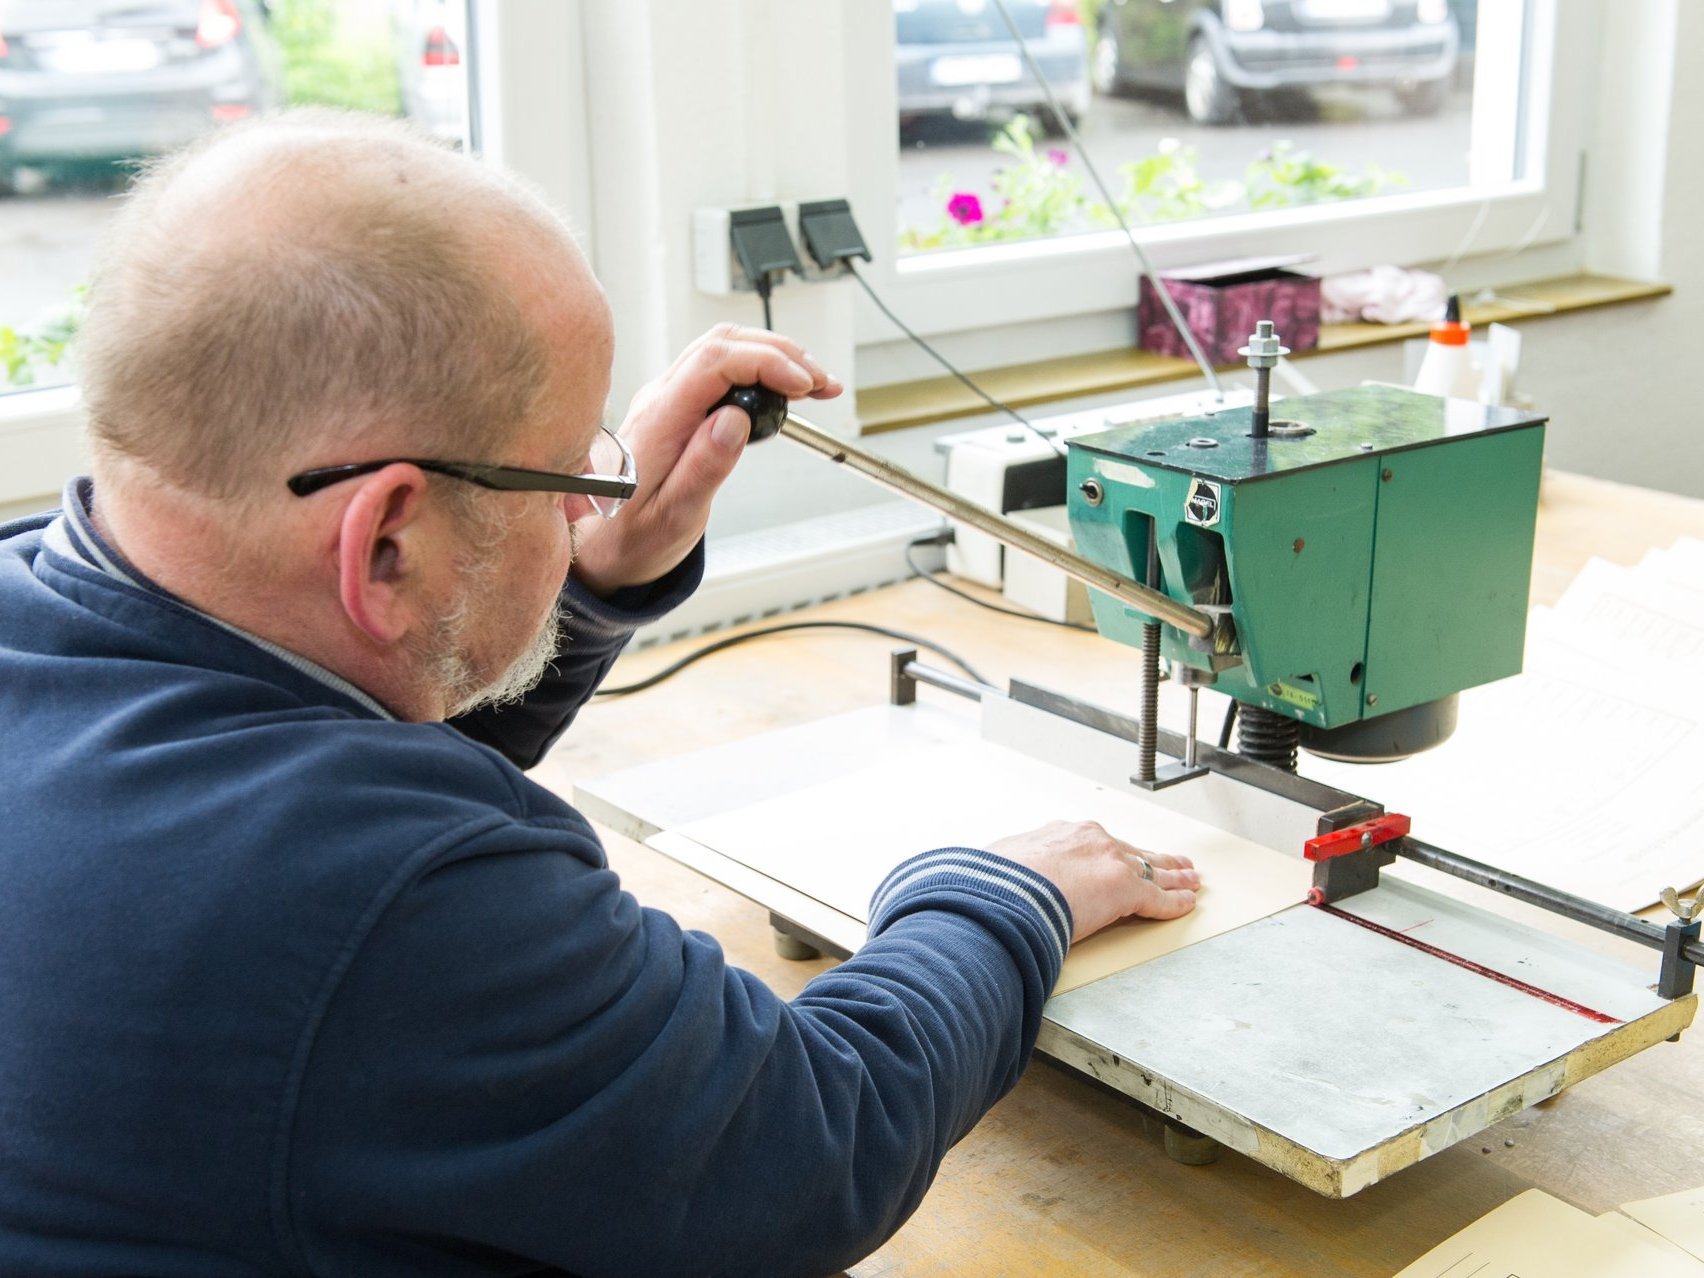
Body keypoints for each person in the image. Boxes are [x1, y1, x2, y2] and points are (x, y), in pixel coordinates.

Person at [0, 110, 1199, 1277]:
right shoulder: (387, 899)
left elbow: (311, 760)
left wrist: (582, 583)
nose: (592, 496)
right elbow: (809, 1148)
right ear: (386, 546)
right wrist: (997, 896)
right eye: (567, 469)